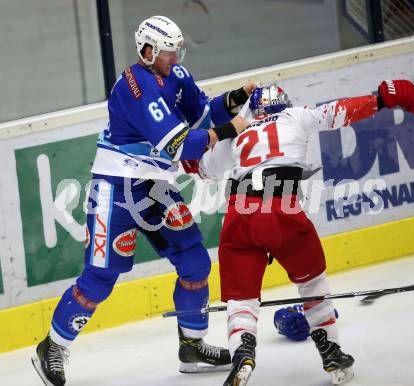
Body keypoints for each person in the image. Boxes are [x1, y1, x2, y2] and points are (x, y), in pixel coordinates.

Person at [31, 15, 255, 386]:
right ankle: (51, 347)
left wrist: (236, 99)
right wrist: (232, 129)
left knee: (195, 261)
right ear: (148, 51)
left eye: (177, 50)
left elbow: (201, 115)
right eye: (169, 52)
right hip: (114, 190)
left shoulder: (177, 76)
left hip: (153, 187)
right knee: (100, 278)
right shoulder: (134, 88)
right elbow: (180, 143)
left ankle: (192, 346)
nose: (176, 57)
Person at [194, 80, 414, 385]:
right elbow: (341, 111)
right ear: (283, 105)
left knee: (241, 298)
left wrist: (195, 146)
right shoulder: (296, 115)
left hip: (238, 215)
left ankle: (243, 353)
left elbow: (203, 169)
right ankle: (330, 351)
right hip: (281, 206)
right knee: (312, 282)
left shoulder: (238, 132)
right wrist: (381, 99)